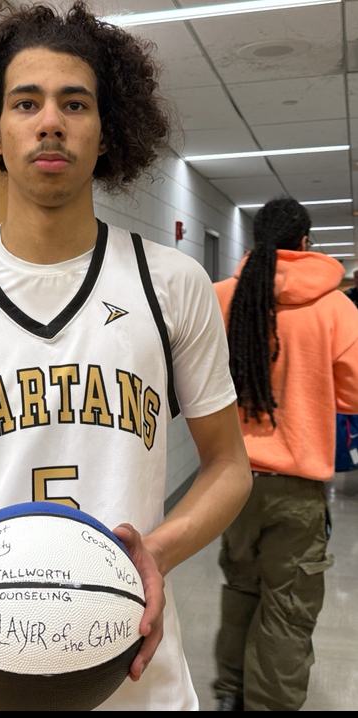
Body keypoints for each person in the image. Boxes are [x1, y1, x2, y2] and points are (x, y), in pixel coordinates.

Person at [0, 3, 252, 711]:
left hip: (131, 670)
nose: (50, 122)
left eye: (74, 103)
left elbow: (228, 463)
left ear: (105, 131)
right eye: (26, 103)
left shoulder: (172, 283)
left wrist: (158, 551)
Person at [212, 198, 358, 712]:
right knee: (288, 607)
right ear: (305, 243)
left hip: (230, 485)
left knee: (241, 590)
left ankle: (230, 695)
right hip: (296, 489)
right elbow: (354, 393)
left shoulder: (222, 297)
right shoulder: (335, 308)